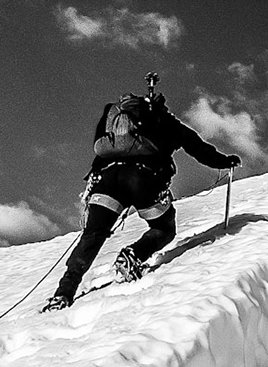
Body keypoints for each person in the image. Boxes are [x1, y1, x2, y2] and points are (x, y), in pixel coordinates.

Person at [42, 82, 239, 311]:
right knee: (164, 229)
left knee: (93, 235)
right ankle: (133, 254)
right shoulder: (166, 121)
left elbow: (99, 145)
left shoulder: (115, 117)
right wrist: (225, 161)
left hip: (106, 179)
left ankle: (63, 293)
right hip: (144, 179)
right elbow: (197, 147)